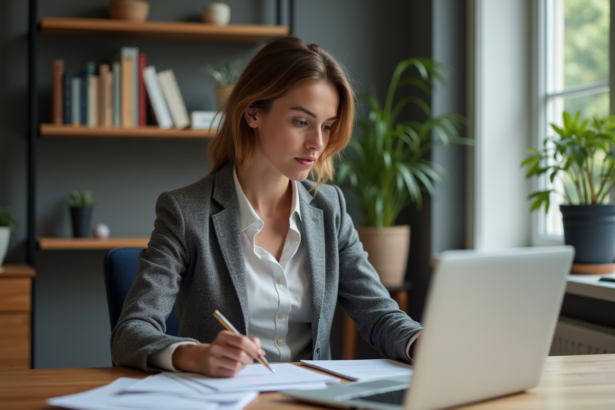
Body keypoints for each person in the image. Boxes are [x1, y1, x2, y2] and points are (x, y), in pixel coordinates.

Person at [111, 36, 422, 377]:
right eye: (301, 122)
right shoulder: (185, 212)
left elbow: (379, 315)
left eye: (328, 126)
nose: (318, 143)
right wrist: (193, 355)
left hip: (313, 400)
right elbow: (131, 332)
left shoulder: (329, 209)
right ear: (253, 114)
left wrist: (423, 343)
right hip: (226, 399)